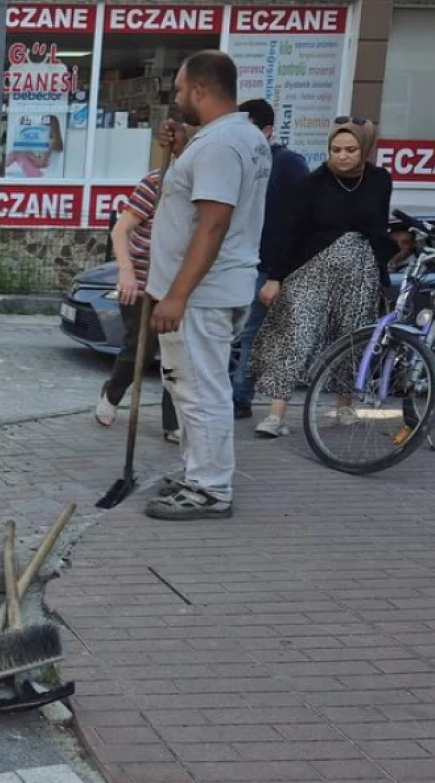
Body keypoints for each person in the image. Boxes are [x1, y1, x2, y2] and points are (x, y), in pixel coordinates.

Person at [143, 51, 271, 521]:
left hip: (202, 293)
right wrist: (183, 151)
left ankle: (210, 488)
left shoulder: (220, 146)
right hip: (216, 287)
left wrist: (176, 294)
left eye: (179, 90)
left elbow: (213, 225)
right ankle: (199, 472)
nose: (178, 100)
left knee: (200, 390)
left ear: (199, 89)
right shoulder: (240, 138)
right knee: (192, 386)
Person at [248, 118, 394, 439]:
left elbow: (379, 229)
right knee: (296, 333)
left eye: (350, 149)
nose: (342, 156)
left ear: (364, 150)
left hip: (360, 270)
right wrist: (276, 276)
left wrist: (383, 274)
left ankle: (344, 406)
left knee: (353, 336)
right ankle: (276, 413)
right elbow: (288, 231)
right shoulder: (311, 184)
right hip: (311, 269)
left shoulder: (380, 180)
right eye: (335, 149)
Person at [230, 99, 311, 419]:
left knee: (252, 334)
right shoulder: (237, 161)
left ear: (268, 131)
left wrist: (278, 273)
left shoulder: (288, 164)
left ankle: (240, 397)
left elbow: (295, 221)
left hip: (267, 267)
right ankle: (234, 395)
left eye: (249, 129)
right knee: (232, 333)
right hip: (238, 262)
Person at [94, 167, 180, 443]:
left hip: (176, 283)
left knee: (174, 354)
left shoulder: (203, 184)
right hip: (141, 280)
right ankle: (112, 393)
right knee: (140, 349)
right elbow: (120, 231)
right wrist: (125, 271)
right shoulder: (156, 182)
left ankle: (173, 422)